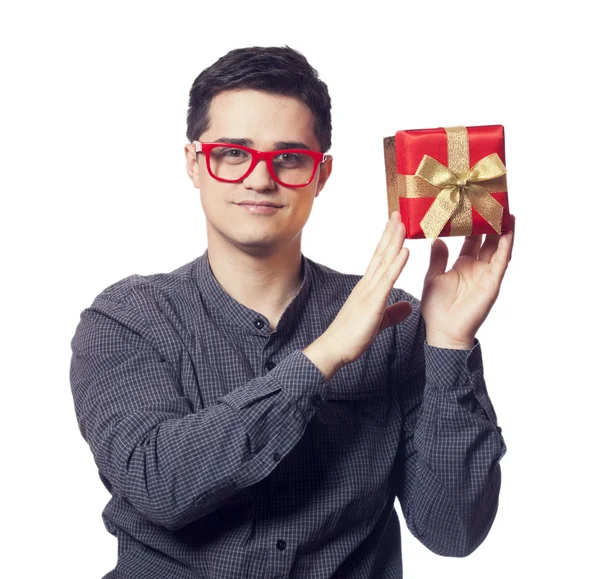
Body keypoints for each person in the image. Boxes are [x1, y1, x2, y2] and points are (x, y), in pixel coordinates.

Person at [69, 45, 515, 579]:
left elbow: (455, 531)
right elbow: (158, 483)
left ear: (321, 174)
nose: (260, 179)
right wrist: (325, 356)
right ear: (194, 163)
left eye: (289, 158)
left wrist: (448, 343)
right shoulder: (128, 319)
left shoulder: (399, 326)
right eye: (232, 153)